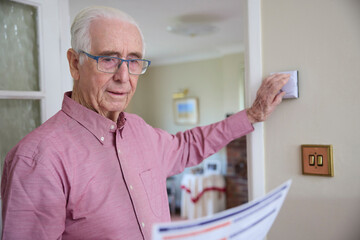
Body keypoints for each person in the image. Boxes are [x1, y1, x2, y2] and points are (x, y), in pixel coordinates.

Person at [1, 6, 289, 240]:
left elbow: (189, 145)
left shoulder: (139, 130)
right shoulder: (37, 159)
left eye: (134, 61)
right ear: (76, 63)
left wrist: (252, 115)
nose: (124, 77)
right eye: (109, 59)